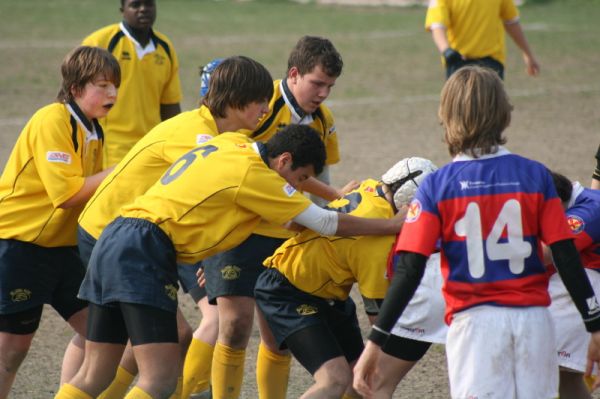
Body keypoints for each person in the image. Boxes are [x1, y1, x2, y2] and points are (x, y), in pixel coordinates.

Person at [55, 125, 404, 399]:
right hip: (145, 246)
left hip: (115, 234)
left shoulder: (233, 142)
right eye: (299, 180)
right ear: (283, 161)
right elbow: (325, 223)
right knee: (159, 379)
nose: (297, 188)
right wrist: (390, 225)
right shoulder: (261, 178)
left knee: (94, 373)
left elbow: (208, 200)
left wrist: (208, 254)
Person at [352, 66, 600, 399]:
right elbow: (565, 254)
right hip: (533, 324)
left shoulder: (437, 187)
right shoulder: (536, 175)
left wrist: (375, 341)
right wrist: (594, 325)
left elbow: (409, 269)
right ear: (504, 114)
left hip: (475, 328)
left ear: (446, 116)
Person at [71, 56, 274, 399]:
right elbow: (210, 194)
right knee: (159, 353)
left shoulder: (210, 132)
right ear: (238, 99)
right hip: (120, 233)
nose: (267, 109)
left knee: (124, 355)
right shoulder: (198, 136)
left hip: (137, 233)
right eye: (260, 100)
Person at [200, 36, 350, 399]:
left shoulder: (322, 120)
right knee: (233, 325)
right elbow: (216, 165)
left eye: (330, 86)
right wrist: (210, 244)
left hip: (284, 233)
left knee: (276, 337)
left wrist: (336, 200)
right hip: (238, 231)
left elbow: (315, 178)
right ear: (294, 74)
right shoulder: (257, 105)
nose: (323, 93)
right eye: (317, 83)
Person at [254, 157, 436, 398]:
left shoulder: (371, 186)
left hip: (324, 292)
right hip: (288, 290)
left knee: (362, 383)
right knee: (334, 379)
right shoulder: (378, 244)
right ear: (409, 205)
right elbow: (378, 318)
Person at [0, 46, 120, 399]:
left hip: (63, 250)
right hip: (19, 246)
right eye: (102, 85)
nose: (112, 93)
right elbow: (67, 194)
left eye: (115, 85)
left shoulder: (94, 128)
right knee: (12, 350)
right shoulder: (53, 120)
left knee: (100, 331)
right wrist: (121, 171)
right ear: (75, 89)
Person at [82, 0, 182, 168]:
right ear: (122, 9)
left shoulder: (165, 48)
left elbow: (170, 106)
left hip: (151, 147)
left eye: (149, 4)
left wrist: (175, 144)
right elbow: (77, 95)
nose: (143, 9)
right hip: (111, 148)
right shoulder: (101, 42)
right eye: (135, 5)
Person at [547, 171, 600, 398]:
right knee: (565, 377)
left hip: (590, 291)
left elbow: (547, 253)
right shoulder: (573, 202)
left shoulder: (590, 210)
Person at [425, 0, 539, 79]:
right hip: (458, 62)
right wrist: (447, 51)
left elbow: (511, 21)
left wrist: (527, 54)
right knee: (460, 112)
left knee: (488, 112)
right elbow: (437, 26)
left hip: (491, 63)